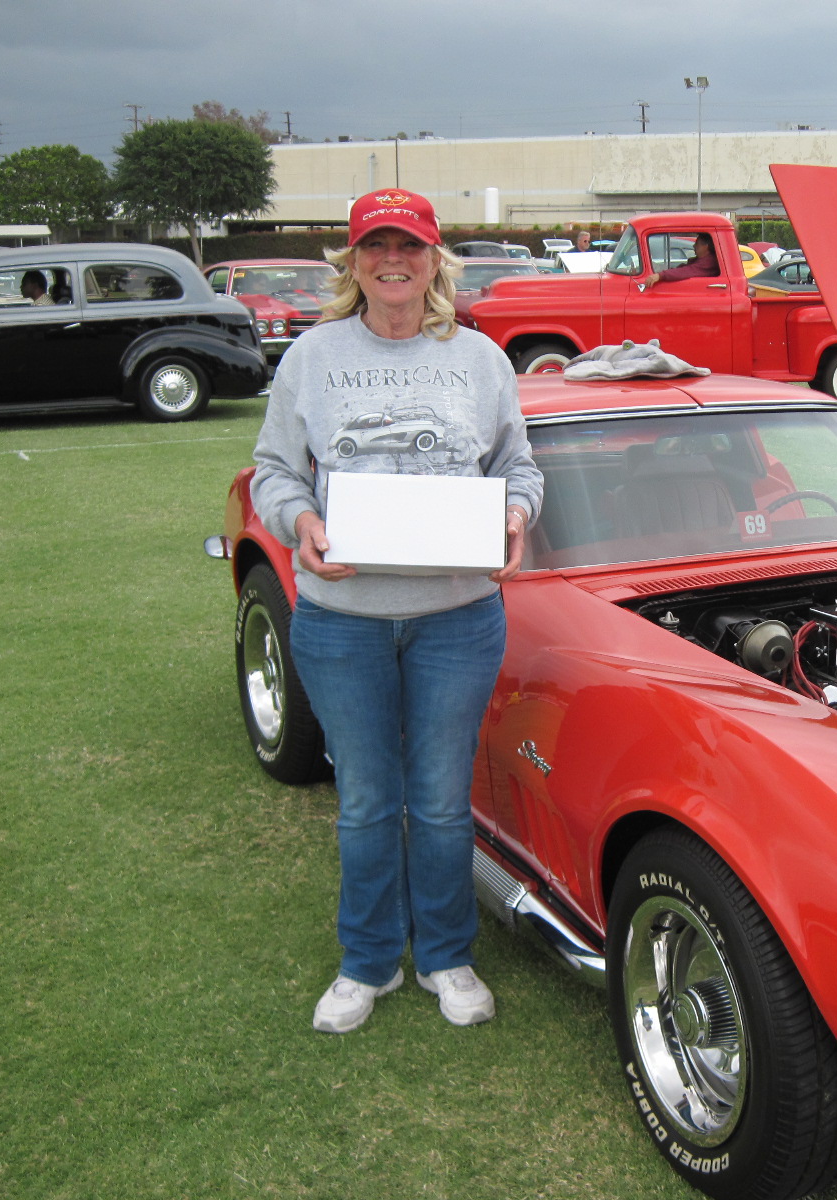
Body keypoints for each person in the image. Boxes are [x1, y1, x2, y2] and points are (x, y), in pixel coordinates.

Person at [250, 188, 543, 1035]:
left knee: (445, 799)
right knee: (368, 799)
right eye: (376, 245)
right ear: (353, 262)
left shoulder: (481, 359)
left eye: (409, 246)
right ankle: (368, 960)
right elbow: (275, 469)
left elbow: (516, 467)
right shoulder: (310, 357)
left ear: (433, 259)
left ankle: (447, 956)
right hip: (343, 619)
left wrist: (515, 516)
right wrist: (301, 521)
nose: (393, 261)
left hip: (457, 617)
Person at [642, 232, 720, 287]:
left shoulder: (708, 262)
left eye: (697, 244)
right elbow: (684, 268)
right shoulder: (704, 261)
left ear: (705, 246)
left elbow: (686, 271)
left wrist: (660, 275)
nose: (694, 246)